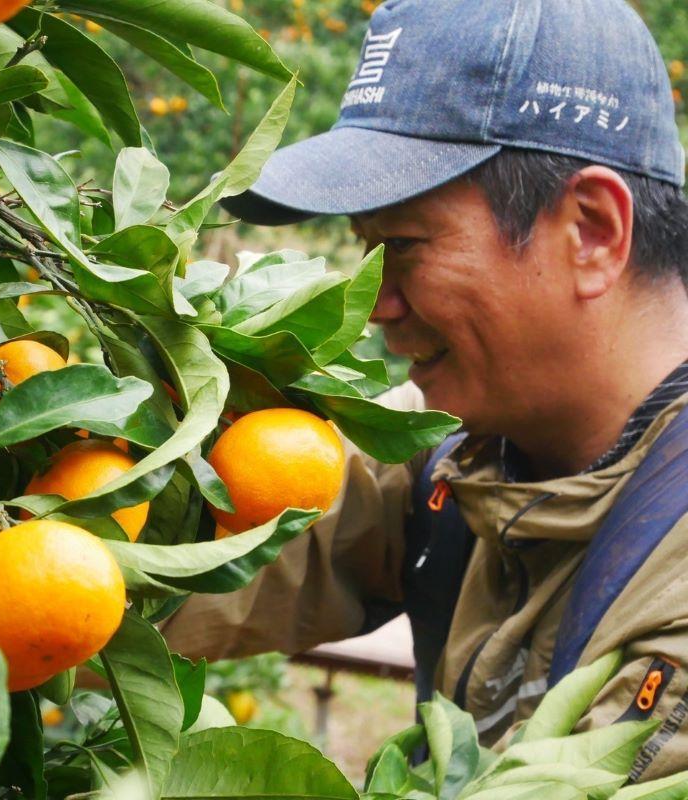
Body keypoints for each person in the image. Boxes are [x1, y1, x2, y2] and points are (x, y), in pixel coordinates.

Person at [162, 0, 688, 781]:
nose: (375, 307)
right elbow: (160, 584)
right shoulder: (446, 449)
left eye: (402, 248)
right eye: (366, 254)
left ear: (592, 232)